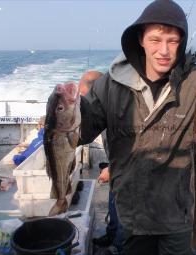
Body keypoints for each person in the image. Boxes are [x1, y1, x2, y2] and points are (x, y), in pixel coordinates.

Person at [79, 1, 196, 254]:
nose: (163, 50)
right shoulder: (110, 85)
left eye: (172, 41)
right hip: (132, 217)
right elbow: (80, 133)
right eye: (155, 39)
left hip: (181, 219)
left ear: (182, 42)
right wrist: (65, 113)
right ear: (140, 39)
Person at [79, 70, 124, 255]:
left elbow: (132, 147)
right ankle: (111, 235)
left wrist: (112, 169)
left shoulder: (118, 112)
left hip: (128, 172)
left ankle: (119, 247)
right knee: (113, 203)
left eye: (82, 96)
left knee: (122, 210)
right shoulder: (98, 110)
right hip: (115, 165)